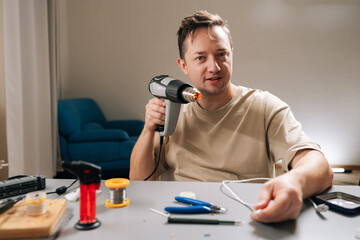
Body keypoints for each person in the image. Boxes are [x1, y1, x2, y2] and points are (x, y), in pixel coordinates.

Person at [130, 10, 333, 223]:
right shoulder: (173, 113)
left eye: (221, 54)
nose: (214, 67)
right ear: (184, 66)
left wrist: (293, 182)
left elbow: (320, 168)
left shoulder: (264, 107)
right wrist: (148, 129)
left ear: (231, 54)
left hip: (249, 218)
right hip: (183, 219)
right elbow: (138, 181)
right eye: (201, 57)